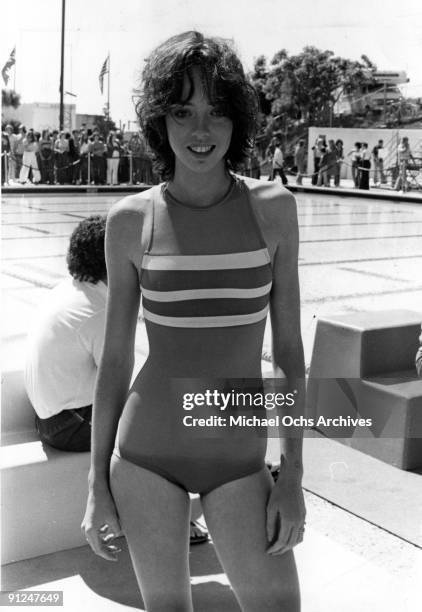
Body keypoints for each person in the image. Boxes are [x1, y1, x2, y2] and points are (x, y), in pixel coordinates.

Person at [82, 31, 305, 611]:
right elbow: (115, 360)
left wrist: (294, 477)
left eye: (216, 113)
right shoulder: (131, 220)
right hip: (147, 451)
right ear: (161, 121)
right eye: (182, 112)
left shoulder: (273, 209)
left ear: (238, 122)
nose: (200, 132)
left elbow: (288, 351)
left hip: (239, 455)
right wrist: (96, 485)